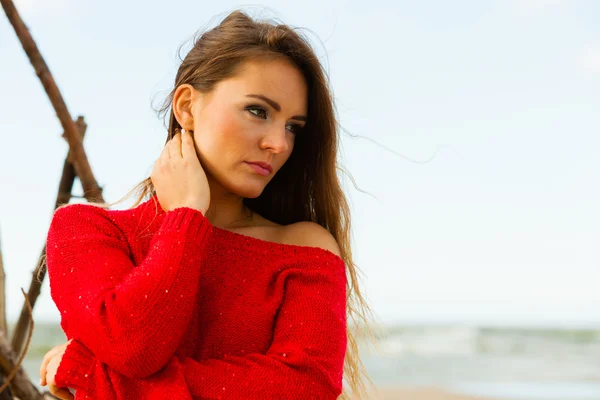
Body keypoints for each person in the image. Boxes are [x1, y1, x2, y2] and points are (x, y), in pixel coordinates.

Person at [39, 9, 377, 400]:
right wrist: (185, 217)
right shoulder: (85, 229)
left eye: (292, 127)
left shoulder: (303, 249)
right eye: (257, 111)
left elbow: (306, 385)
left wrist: (99, 378)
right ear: (186, 107)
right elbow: (133, 346)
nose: (279, 144)